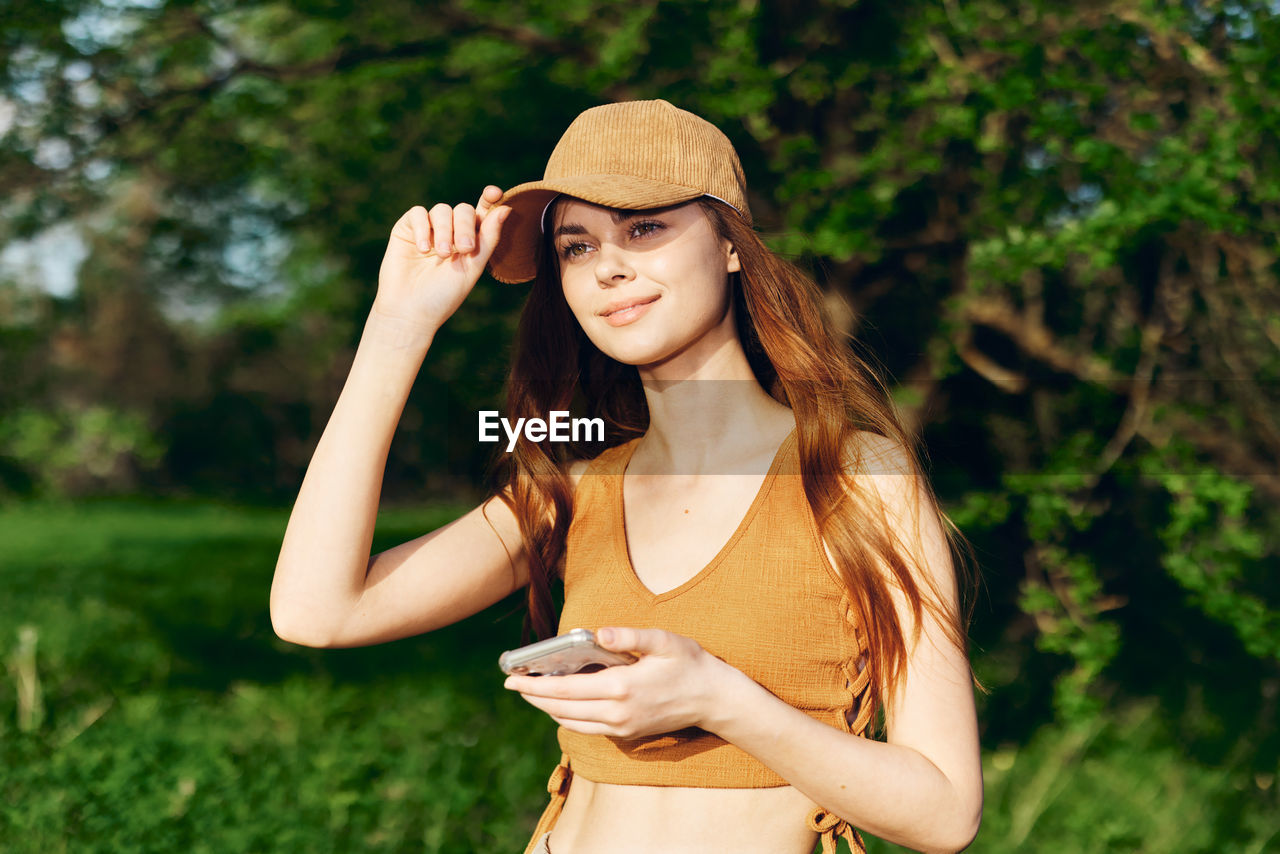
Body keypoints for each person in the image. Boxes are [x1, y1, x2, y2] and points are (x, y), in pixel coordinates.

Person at [271, 99, 983, 854]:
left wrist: (717, 697)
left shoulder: (856, 477)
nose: (609, 266)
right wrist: (399, 323)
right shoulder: (573, 490)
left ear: (732, 245)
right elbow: (316, 612)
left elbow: (944, 814)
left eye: (644, 228)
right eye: (576, 247)